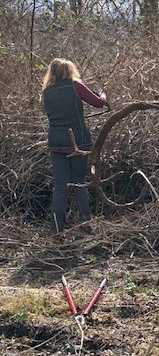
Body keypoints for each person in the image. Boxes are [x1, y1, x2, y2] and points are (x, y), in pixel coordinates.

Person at [41, 58, 110, 233]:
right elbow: (98, 103)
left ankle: (56, 228)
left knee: (60, 186)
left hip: (56, 142)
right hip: (79, 140)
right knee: (79, 182)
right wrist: (103, 94)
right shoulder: (75, 86)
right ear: (69, 71)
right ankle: (85, 224)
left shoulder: (46, 92)